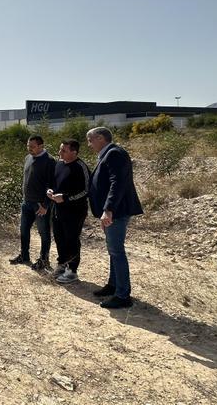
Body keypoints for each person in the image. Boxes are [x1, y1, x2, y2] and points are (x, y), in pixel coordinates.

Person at [86, 127, 143, 308]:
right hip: (112, 211)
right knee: (113, 250)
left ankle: (122, 295)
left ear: (101, 138)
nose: (89, 144)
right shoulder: (108, 154)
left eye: (91, 140)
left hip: (116, 212)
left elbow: (117, 183)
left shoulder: (114, 154)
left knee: (117, 251)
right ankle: (113, 285)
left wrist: (109, 209)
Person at [46, 139, 90, 284]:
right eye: (60, 149)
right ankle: (62, 264)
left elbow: (86, 191)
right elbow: (53, 182)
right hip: (58, 209)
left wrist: (65, 198)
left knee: (71, 239)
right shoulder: (59, 164)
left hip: (74, 211)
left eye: (63, 150)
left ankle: (72, 271)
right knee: (59, 238)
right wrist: (50, 191)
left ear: (74, 152)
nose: (59, 153)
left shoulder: (80, 167)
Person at [10, 135, 55, 269]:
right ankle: (24, 256)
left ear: (41, 146)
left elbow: (52, 185)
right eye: (28, 146)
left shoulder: (50, 161)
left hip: (40, 205)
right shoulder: (28, 158)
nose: (29, 149)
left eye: (32, 146)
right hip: (26, 202)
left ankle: (44, 260)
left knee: (44, 233)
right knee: (24, 230)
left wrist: (46, 205)